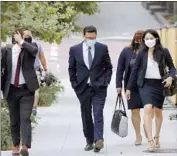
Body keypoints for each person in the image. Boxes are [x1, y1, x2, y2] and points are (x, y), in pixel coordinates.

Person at [126, 29, 176, 152]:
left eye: (150, 38)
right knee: (148, 108)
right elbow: (135, 71)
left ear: (156, 38)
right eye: (146, 39)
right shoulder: (141, 53)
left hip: (160, 84)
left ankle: (157, 136)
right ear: (144, 40)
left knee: (158, 111)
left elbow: (172, 68)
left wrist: (170, 77)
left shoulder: (164, 52)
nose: (148, 41)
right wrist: (128, 88)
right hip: (145, 85)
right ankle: (150, 140)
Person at [68, 26, 112, 152]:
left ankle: (99, 140)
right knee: (86, 114)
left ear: (96, 36)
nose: (91, 40)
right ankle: (89, 140)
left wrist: (105, 81)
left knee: (98, 113)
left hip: (99, 87)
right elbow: (71, 68)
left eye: (93, 38)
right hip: (83, 87)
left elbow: (108, 67)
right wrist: (74, 84)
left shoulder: (102, 48)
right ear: (83, 36)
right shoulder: (75, 49)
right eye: (88, 38)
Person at [1, 28, 39, 156]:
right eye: (25, 36)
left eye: (29, 36)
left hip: (26, 89)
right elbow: (4, 70)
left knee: (25, 118)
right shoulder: (7, 50)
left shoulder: (30, 48)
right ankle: (15, 146)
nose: (29, 38)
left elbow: (34, 50)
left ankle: (25, 146)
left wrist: (22, 41)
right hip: (11, 90)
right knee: (14, 120)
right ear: (16, 36)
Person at [116, 30, 145, 145]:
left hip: (147, 84)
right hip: (131, 86)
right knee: (135, 110)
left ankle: (146, 127)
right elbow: (120, 69)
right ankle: (138, 135)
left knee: (149, 110)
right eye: (137, 39)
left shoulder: (149, 51)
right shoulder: (126, 51)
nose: (139, 41)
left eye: (141, 39)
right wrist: (118, 85)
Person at [22, 30, 48, 116]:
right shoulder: (22, 45)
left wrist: (45, 69)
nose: (28, 36)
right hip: (29, 70)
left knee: (35, 89)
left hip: (34, 70)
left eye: (28, 34)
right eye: (26, 35)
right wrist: (45, 70)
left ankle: (34, 107)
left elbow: (42, 58)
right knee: (34, 89)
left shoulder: (35, 45)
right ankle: (33, 107)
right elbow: (42, 58)